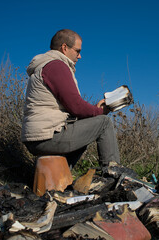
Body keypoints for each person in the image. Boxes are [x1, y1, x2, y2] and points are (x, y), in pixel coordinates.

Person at [21, 29, 120, 168]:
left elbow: (72, 108)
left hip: (38, 136)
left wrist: (94, 110)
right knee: (104, 123)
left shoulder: (46, 66)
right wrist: (101, 112)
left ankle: (59, 178)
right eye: (77, 51)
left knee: (86, 129)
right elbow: (76, 106)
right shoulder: (56, 66)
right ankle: (113, 173)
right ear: (64, 48)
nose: (80, 56)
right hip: (46, 136)